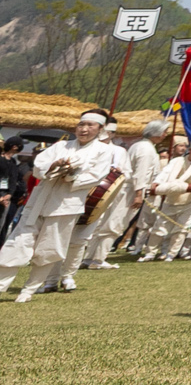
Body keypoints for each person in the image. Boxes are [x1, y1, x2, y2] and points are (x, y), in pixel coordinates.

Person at [10, 113, 131, 303]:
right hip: (39, 201)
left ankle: (31, 288)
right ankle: (1, 283)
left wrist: (71, 174)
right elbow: (39, 166)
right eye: (81, 124)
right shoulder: (60, 146)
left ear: (100, 129)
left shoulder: (105, 151)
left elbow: (96, 176)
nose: (84, 129)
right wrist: (53, 166)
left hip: (67, 205)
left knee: (50, 248)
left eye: (90, 125)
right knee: (17, 242)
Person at [78, 118, 166, 272]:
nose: (165, 135)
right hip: (130, 190)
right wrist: (139, 194)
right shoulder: (146, 149)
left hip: (126, 188)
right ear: (157, 134)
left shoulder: (139, 146)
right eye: (164, 132)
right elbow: (141, 172)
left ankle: (89, 257)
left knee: (106, 223)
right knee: (115, 224)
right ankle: (98, 259)